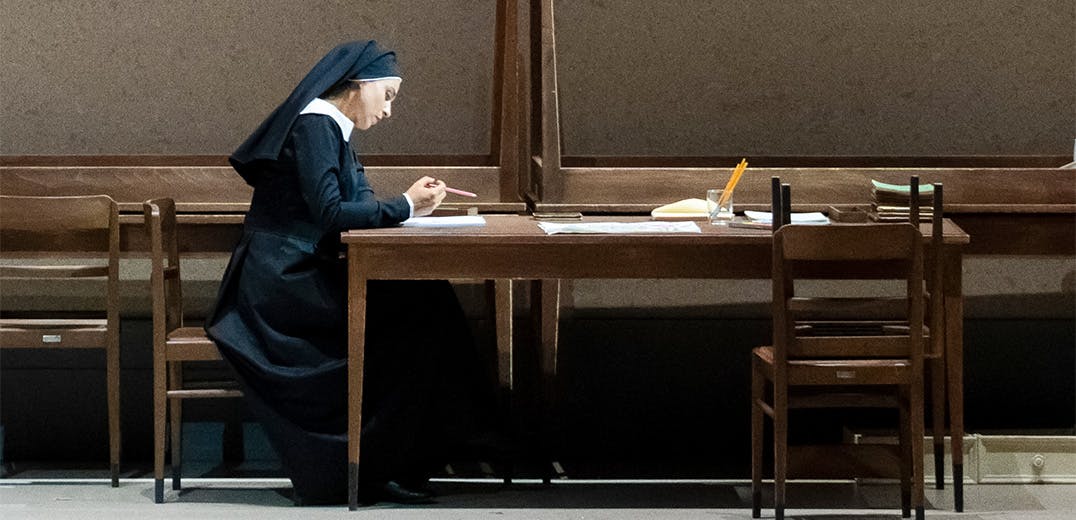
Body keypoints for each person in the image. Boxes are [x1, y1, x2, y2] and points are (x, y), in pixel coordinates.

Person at [206, 40, 497, 506]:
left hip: (297, 273)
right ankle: (387, 461)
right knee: (420, 314)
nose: (388, 110)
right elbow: (330, 214)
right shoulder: (316, 124)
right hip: (281, 284)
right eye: (388, 95)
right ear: (359, 85)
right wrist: (404, 205)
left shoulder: (332, 130)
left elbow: (356, 204)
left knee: (426, 301)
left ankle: (404, 455)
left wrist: (412, 204)